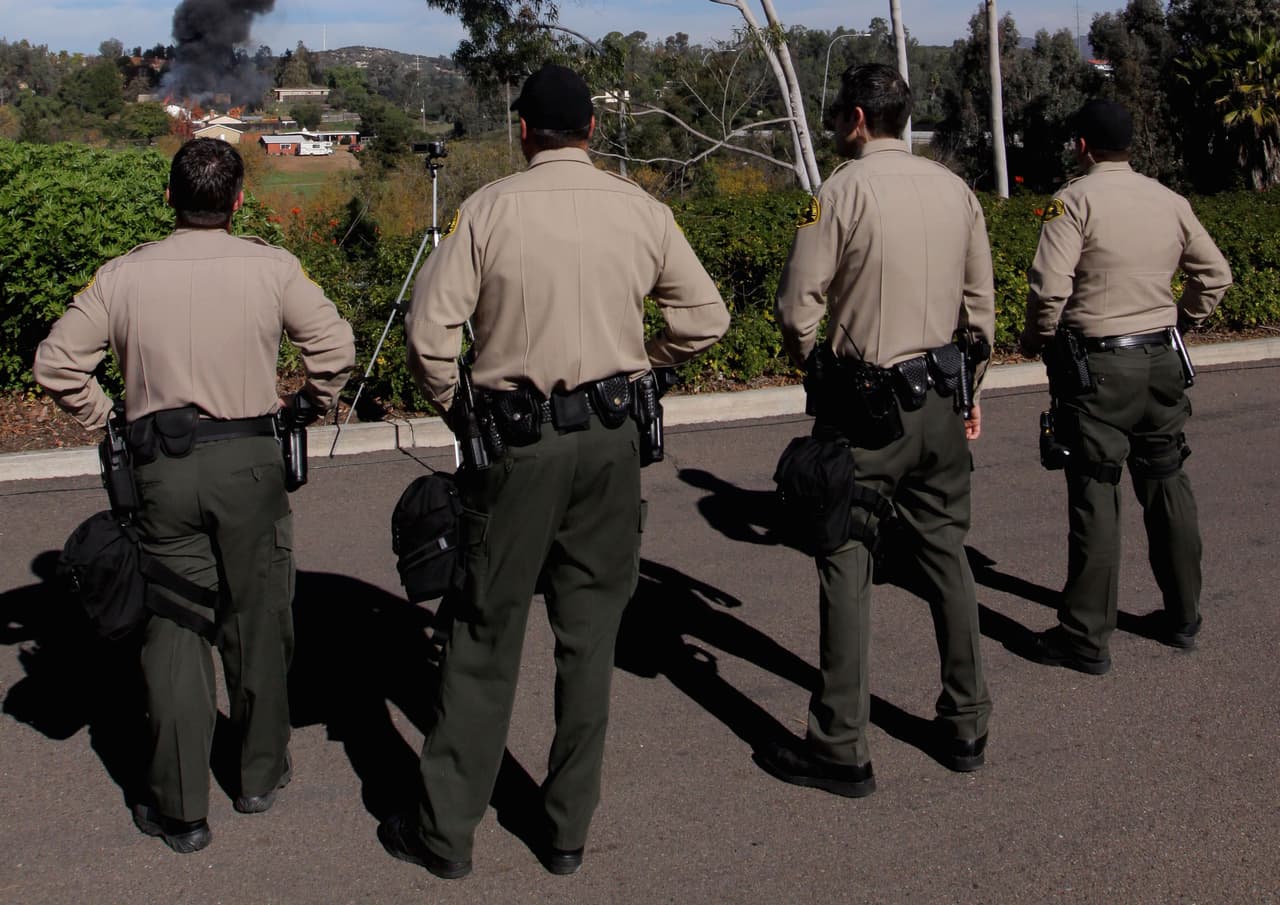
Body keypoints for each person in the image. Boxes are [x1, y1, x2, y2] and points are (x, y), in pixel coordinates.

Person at [378, 63, 729, 878]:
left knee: (482, 632)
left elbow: (431, 337)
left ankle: (447, 830)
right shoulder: (641, 210)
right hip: (610, 445)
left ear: (524, 130)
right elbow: (706, 317)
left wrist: (459, 412)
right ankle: (566, 828)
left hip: (515, 444)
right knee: (589, 637)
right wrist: (647, 368)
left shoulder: (489, 209)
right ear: (593, 133)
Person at [34, 138, 356, 853]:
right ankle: (258, 773)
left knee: (174, 630)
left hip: (161, 467)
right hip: (249, 461)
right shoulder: (272, 269)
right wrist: (306, 406)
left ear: (169, 199)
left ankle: (181, 807)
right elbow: (335, 350)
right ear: (238, 200)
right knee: (259, 618)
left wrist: (108, 418)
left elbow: (56, 363)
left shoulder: (123, 276)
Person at [761, 63, 996, 797]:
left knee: (844, 554)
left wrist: (818, 369)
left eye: (839, 115)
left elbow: (798, 306)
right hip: (941, 400)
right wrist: (970, 390)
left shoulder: (838, 192)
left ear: (858, 119)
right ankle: (966, 719)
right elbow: (982, 311)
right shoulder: (955, 189)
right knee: (945, 554)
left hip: (867, 409)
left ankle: (840, 742)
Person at [1021, 99, 1232, 675]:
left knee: (1096, 488)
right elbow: (1215, 274)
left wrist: (1036, 338)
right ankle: (1183, 615)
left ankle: (1086, 635)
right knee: (1166, 479)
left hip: (1098, 365)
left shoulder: (1071, 201)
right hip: (1162, 356)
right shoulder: (1170, 200)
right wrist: (1182, 319)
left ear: (1083, 146)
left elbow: (1049, 289)